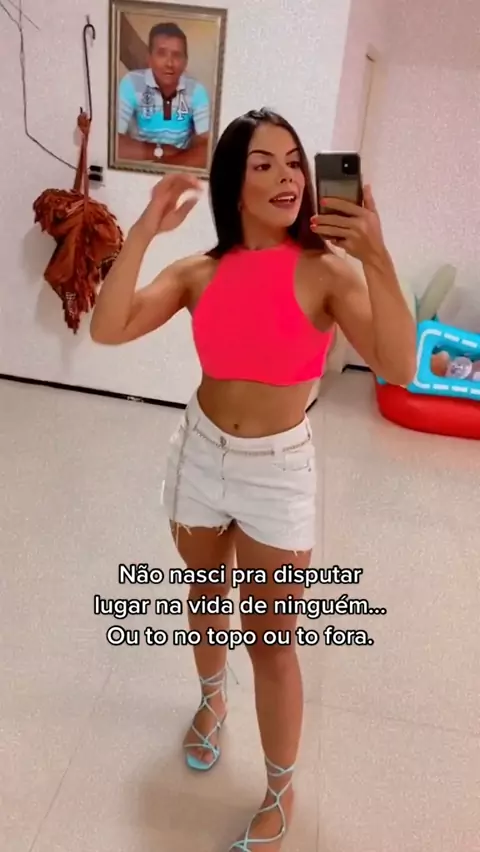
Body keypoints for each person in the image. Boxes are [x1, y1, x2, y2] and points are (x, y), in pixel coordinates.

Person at [90, 108, 416, 850]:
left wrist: (377, 255)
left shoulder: (329, 273)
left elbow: (399, 366)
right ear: (233, 184)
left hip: (279, 473)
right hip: (200, 456)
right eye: (263, 164)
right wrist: (144, 230)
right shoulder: (198, 273)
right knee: (206, 597)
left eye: (294, 162)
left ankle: (280, 789)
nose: (287, 177)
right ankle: (212, 701)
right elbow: (108, 328)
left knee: (271, 640)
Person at [117, 22, 210, 168]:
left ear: (185, 62)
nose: (169, 63)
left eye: (177, 55)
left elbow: (205, 150)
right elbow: (114, 143)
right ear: (149, 58)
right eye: (161, 54)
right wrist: (162, 151)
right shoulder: (131, 83)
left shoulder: (197, 90)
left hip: (179, 169)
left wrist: (165, 168)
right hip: (137, 168)